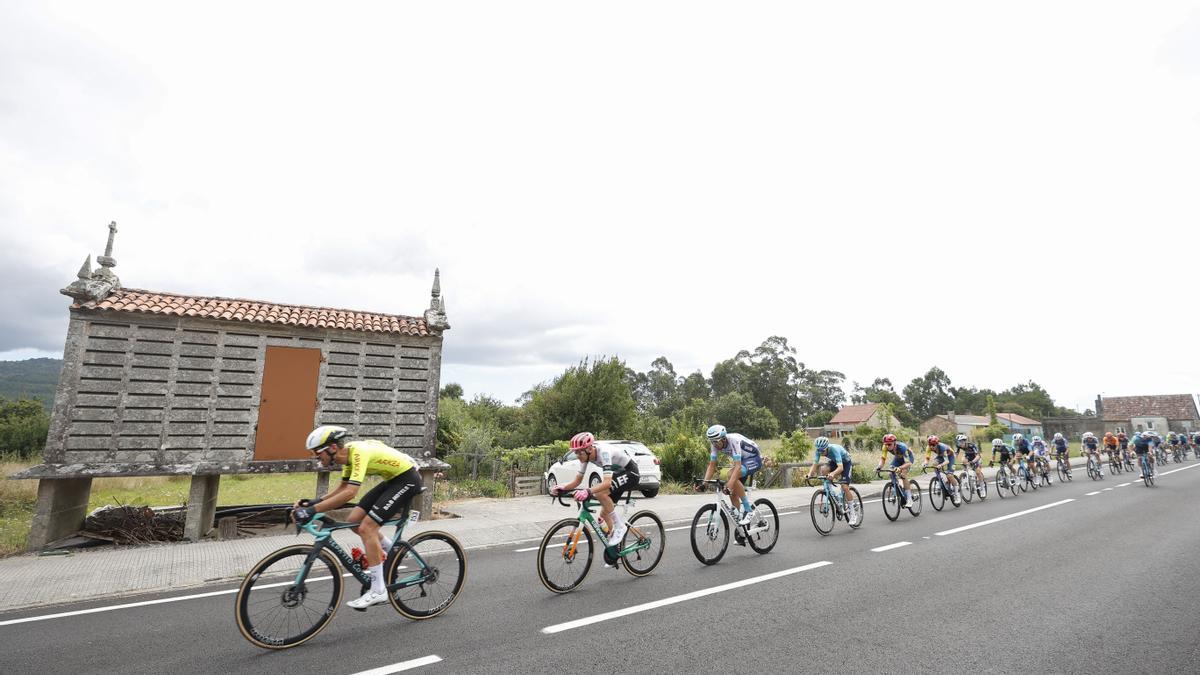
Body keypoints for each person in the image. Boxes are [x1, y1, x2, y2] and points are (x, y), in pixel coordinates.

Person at [294, 425, 423, 610]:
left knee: (366, 528)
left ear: (332, 448)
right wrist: (313, 503)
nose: (315, 456)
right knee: (353, 521)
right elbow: (342, 488)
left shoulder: (357, 453)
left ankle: (378, 590)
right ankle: (389, 551)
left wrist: (312, 511)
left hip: (408, 480)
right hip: (393, 480)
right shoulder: (346, 458)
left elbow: (350, 494)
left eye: (317, 451)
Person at [551, 432, 640, 551]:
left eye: (579, 452)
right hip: (618, 475)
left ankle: (620, 527)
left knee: (599, 493)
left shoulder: (603, 453)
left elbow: (607, 482)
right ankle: (615, 550)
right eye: (575, 452)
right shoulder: (586, 458)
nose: (577, 455)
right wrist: (562, 487)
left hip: (631, 473)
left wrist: (587, 491)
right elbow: (577, 481)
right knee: (603, 515)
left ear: (588, 449)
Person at [701, 424, 763, 526]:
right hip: (743, 462)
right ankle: (742, 528)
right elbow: (712, 465)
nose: (714, 444)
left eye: (716, 442)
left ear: (724, 439)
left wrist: (729, 484)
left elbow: (737, 467)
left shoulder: (733, 440)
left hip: (754, 459)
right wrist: (704, 483)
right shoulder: (715, 443)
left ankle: (748, 510)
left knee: (730, 475)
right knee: (732, 494)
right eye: (712, 442)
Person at [807, 436, 854, 508]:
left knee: (845, 487)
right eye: (819, 450)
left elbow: (841, 468)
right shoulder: (818, 451)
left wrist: (832, 474)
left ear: (827, 448)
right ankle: (831, 493)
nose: (820, 453)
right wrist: (809, 474)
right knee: (824, 469)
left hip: (846, 463)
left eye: (822, 451)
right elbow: (814, 465)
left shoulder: (834, 449)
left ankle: (852, 513)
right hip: (835, 462)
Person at [876, 433, 915, 504]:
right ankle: (898, 488)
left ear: (894, 443)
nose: (887, 446)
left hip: (908, 459)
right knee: (891, 472)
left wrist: (900, 468)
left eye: (889, 444)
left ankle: (909, 499)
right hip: (898, 458)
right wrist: (879, 467)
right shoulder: (885, 447)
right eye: (886, 444)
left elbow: (908, 463)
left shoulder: (902, 447)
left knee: (903, 474)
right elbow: (883, 459)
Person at [923, 435, 961, 505]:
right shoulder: (929, 447)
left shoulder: (942, 447)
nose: (931, 447)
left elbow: (947, 461)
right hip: (941, 456)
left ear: (937, 444)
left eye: (933, 445)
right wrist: (925, 463)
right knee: (934, 464)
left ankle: (956, 494)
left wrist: (940, 465)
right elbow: (927, 458)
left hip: (950, 457)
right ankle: (938, 480)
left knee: (949, 475)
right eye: (930, 445)